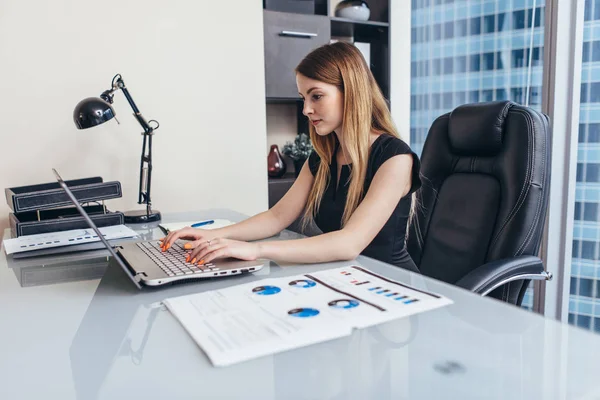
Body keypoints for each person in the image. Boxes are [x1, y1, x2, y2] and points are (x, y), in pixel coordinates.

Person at [160, 41, 422, 272]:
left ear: (351, 92)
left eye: (316, 96)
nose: (307, 109)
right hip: (347, 278)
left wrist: (257, 250)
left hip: (394, 285)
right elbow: (276, 218)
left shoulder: (395, 158)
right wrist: (210, 236)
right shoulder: (322, 157)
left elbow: (349, 243)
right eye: (303, 98)